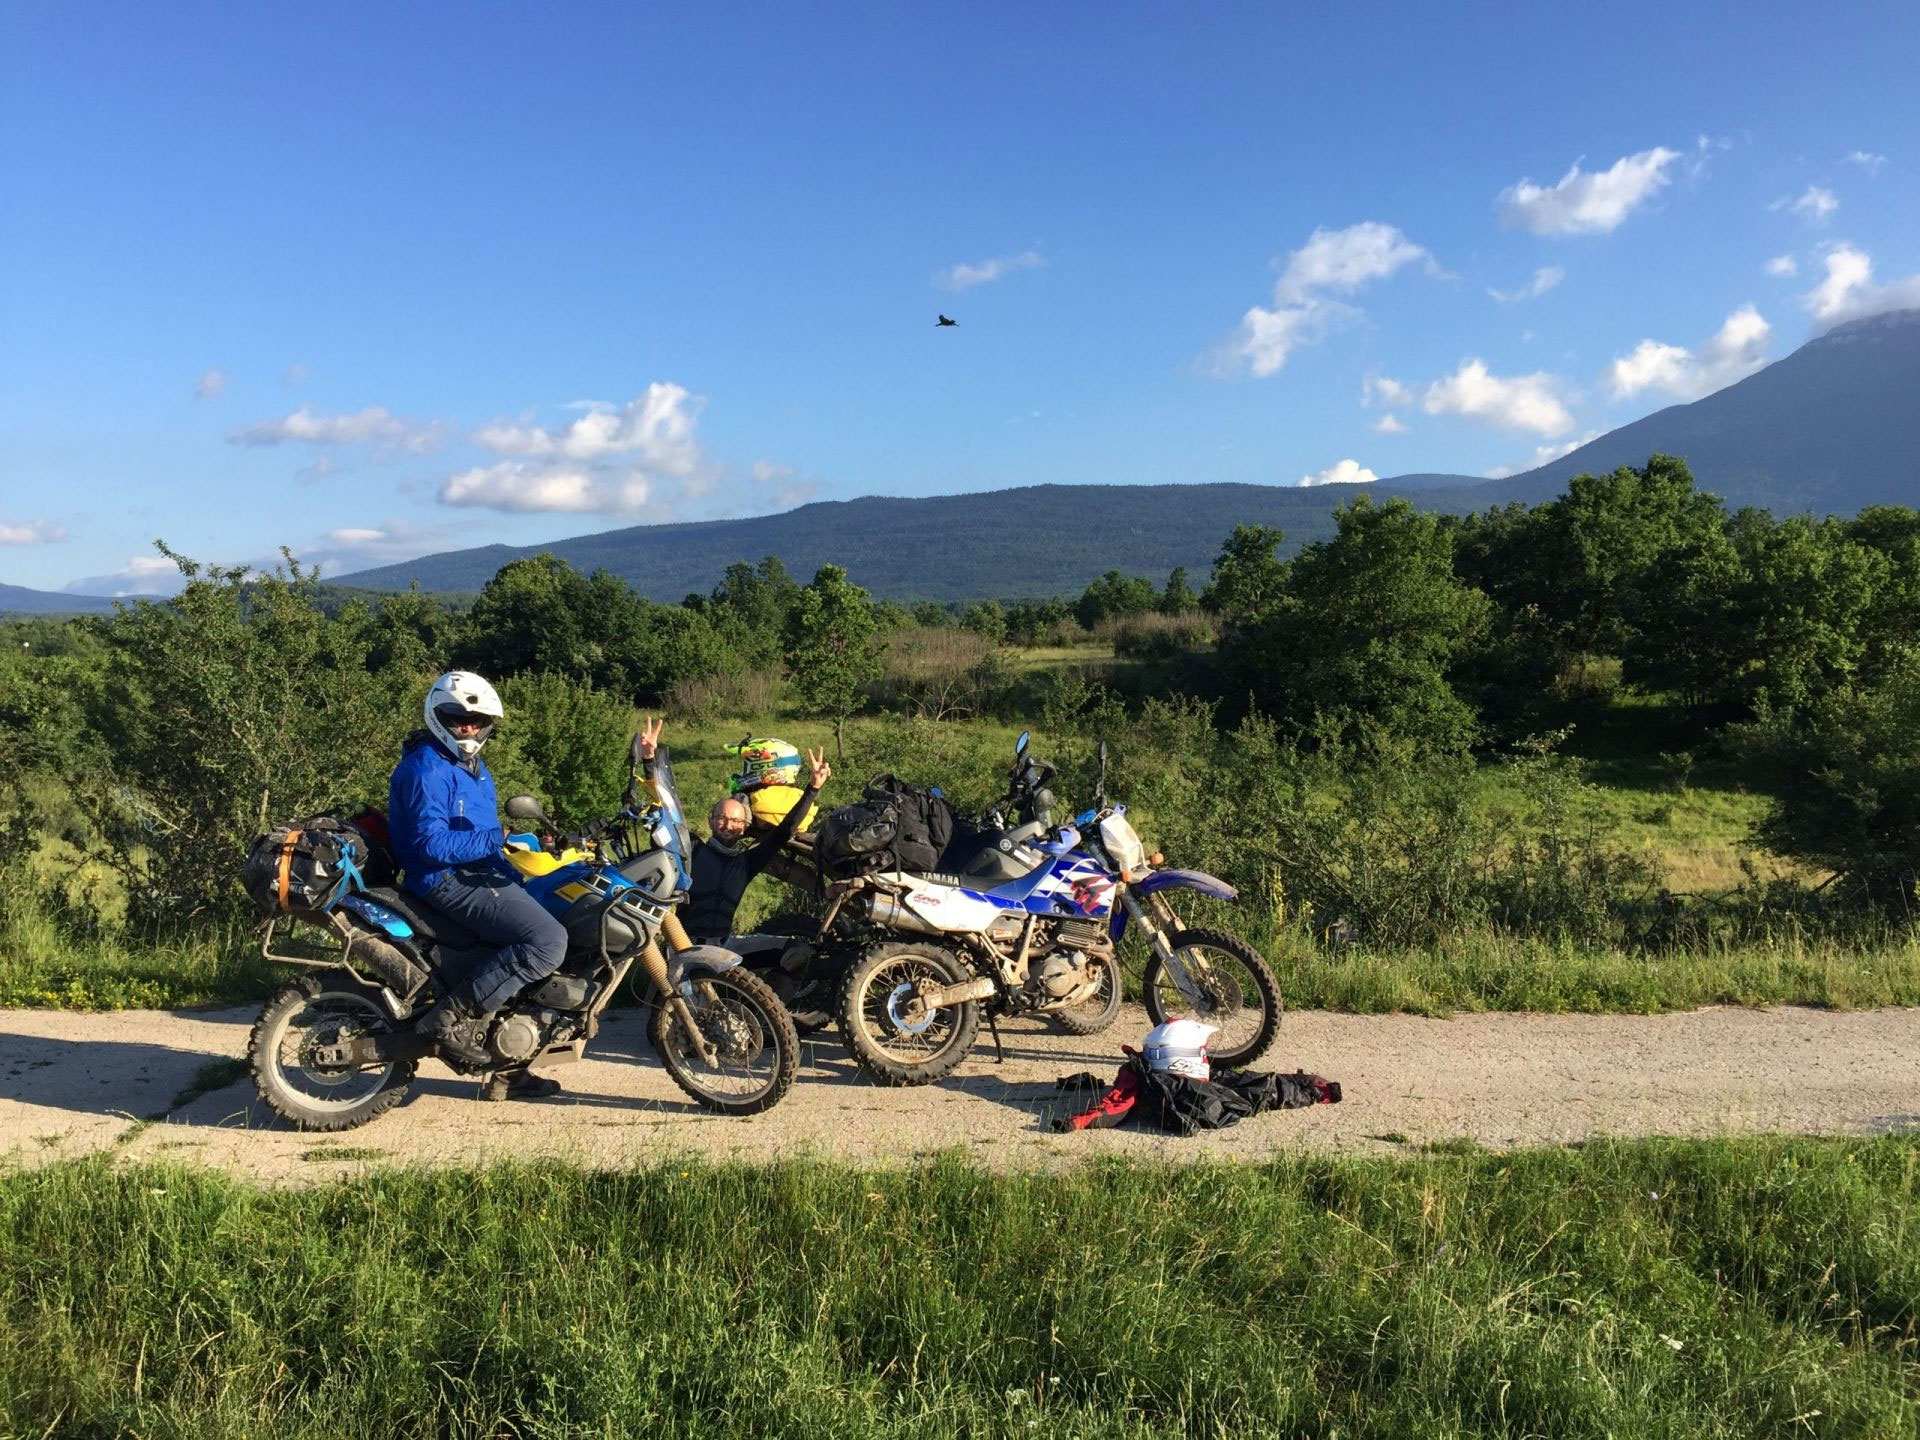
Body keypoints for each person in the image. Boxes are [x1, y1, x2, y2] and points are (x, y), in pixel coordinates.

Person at [389, 671, 568, 1098]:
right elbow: (430, 844)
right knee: (548, 941)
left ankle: (510, 1070)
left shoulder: (473, 768)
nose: (468, 728)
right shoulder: (426, 767)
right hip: (441, 878)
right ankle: (446, 1019)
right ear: (438, 716)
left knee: (548, 914)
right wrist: (497, 839)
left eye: (478, 720)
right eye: (457, 718)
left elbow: (477, 834)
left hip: (474, 873)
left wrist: (514, 863)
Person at [652, 726, 830, 944]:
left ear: (745, 827)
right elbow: (666, 814)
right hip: (684, 946)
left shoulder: (746, 863)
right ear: (710, 821)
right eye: (722, 818)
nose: (728, 825)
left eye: (736, 821)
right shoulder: (693, 850)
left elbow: (785, 831)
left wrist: (813, 788)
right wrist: (650, 760)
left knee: (794, 949)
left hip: (725, 948)